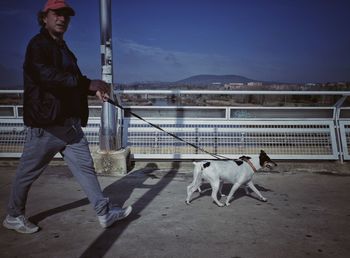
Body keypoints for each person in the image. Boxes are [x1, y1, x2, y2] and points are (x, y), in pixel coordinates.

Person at [2, 0, 132, 234]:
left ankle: (104, 213)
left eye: (66, 15)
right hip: (47, 126)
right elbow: (48, 77)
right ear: (44, 17)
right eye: (57, 14)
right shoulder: (37, 45)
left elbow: (71, 82)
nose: (62, 19)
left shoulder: (63, 49)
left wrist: (92, 90)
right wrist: (87, 83)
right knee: (27, 173)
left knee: (86, 169)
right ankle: (13, 215)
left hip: (70, 126)